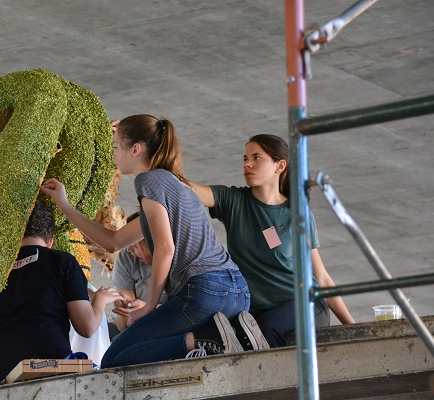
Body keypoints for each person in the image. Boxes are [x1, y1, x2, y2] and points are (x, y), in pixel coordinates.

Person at [41, 114, 267, 369]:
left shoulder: (148, 180)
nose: (114, 156)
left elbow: (165, 247)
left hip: (205, 290)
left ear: (135, 149)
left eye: (116, 148)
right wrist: (64, 204)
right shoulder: (176, 185)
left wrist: (149, 307)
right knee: (151, 349)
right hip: (237, 291)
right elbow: (114, 242)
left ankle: (210, 339)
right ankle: (225, 337)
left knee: (115, 359)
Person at [190, 133, 355, 348]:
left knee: (266, 327)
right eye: (245, 159)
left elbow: (321, 277)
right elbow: (189, 191)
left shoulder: (298, 215)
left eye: (256, 158)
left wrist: (351, 327)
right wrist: (159, 167)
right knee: (211, 332)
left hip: (305, 305)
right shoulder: (233, 201)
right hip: (255, 311)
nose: (247, 164)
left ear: (280, 166)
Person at [0, 201, 122, 383]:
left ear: (11, 237)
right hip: (49, 372)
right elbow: (87, 328)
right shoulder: (63, 262)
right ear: (50, 241)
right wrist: (100, 300)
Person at [110, 212, 169, 335]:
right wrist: (124, 304)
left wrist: (146, 308)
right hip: (135, 330)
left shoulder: (183, 264)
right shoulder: (126, 258)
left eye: (134, 244)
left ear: (153, 243)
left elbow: (185, 313)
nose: (128, 249)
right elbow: (124, 327)